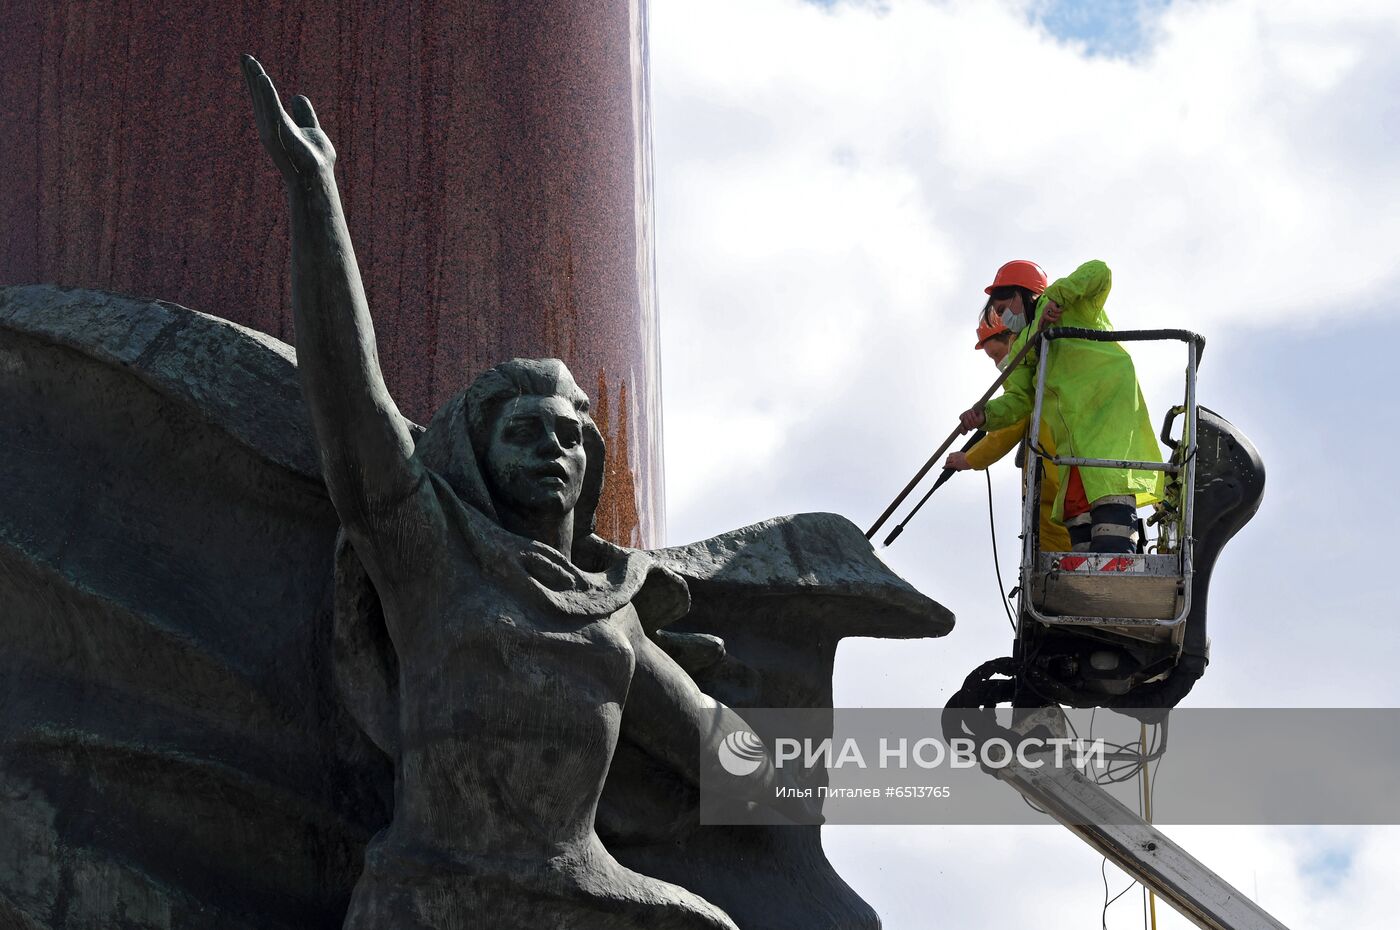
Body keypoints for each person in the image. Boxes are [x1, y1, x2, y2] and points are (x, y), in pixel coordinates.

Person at [241, 55, 808, 930]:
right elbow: (351, 399)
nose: (554, 451)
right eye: (524, 433)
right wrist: (315, 194)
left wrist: (965, 761)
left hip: (576, 890)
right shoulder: (431, 549)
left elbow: (731, 757)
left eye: (572, 438)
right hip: (428, 889)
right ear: (476, 452)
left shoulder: (611, 611)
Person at [958, 259, 1163, 553]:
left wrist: (1058, 297)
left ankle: (1118, 554)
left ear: (1022, 293)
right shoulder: (1024, 346)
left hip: (1105, 418)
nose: (1004, 318)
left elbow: (1100, 272)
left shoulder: (1069, 305)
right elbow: (1019, 400)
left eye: (1004, 308)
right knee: (1078, 523)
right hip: (1071, 439)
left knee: (1109, 499)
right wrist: (985, 416)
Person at [945, 299, 1072, 552]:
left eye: (996, 354)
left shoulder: (1029, 381)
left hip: (1052, 483)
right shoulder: (1043, 375)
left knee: (1058, 544)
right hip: (1054, 479)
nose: (997, 364)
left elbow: (1008, 428)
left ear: (1012, 341)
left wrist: (968, 458)